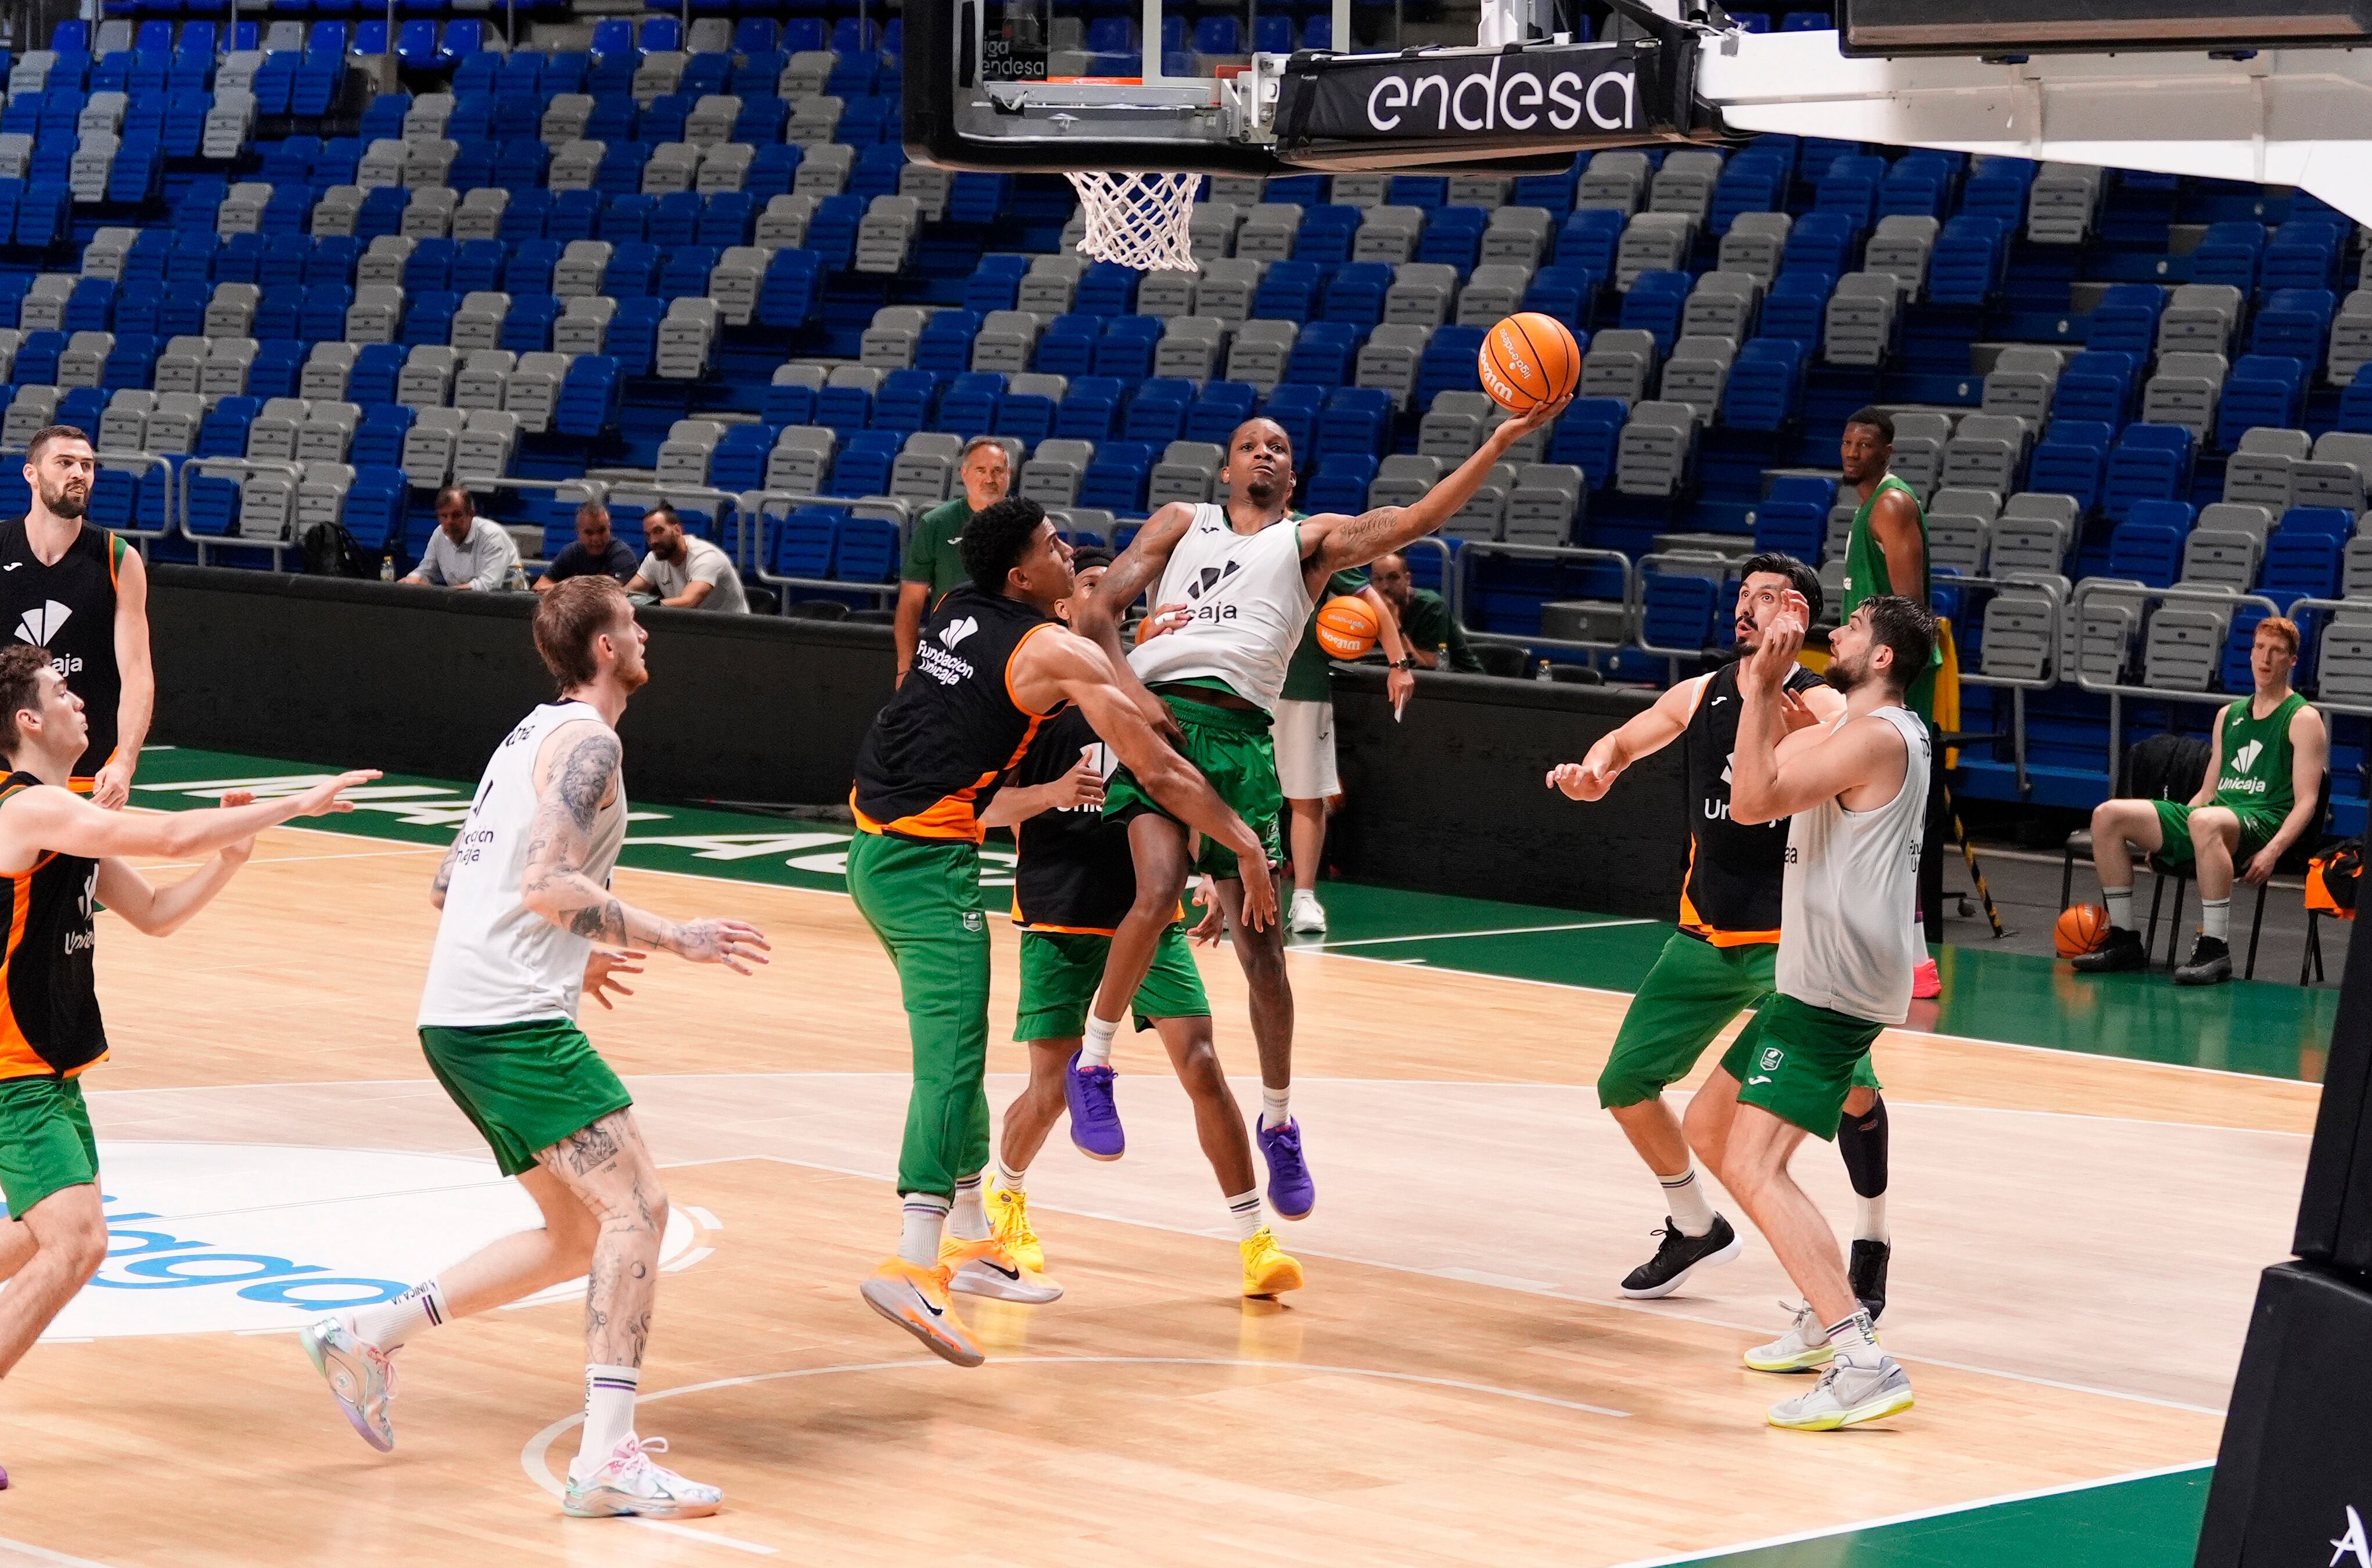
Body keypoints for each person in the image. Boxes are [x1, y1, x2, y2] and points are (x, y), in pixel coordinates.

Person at [299, 576, 770, 1519]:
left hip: (462, 1016)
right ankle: (605, 1460)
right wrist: (673, 936)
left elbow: (450, 884)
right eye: (634, 626)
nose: (646, 637)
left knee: (577, 1234)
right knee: (640, 1209)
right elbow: (547, 883)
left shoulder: (523, 736)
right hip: (507, 1020)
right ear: (602, 648)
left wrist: (574, 948)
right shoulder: (590, 741)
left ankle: (365, 1335)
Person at [1066, 397, 1568, 1221]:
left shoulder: (1311, 541)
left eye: (1279, 446)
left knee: (1264, 958)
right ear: (1226, 467)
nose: (1264, 453)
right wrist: (1133, 699)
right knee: (1155, 895)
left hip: (1240, 740)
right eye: (1248, 444)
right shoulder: (1178, 522)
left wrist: (1501, 441)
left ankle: (1279, 1121)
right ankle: (1095, 1064)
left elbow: (1413, 519)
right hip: (1156, 720)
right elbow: (1093, 614)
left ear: (1291, 473)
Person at [847, 498, 1276, 1369]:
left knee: (962, 1065)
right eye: (1051, 546)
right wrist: (1243, 846)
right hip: (926, 872)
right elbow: (1156, 767)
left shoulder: (959, 612)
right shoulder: (1051, 650)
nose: (1068, 548)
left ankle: (973, 1238)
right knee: (954, 1062)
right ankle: (913, 1263)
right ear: (1022, 576)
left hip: (876, 850)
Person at [0, 645, 371, 1475]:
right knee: (78, 1243)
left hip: (50, 1068)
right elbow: (168, 832)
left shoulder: (67, 815)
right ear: (28, 721)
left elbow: (159, 913)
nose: (81, 700)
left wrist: (230, 859)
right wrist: (292, 806)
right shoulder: (27, 811)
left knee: (35, 1236)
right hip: (9, 1074)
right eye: (63, 692)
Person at [1547, 555, 1894, 1318]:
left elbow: (1784, 784)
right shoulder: (1700, 692)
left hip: (1792, 945)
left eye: (1764, 598)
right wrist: (1597, 770)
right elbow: (1628, 737)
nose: (1745, 609)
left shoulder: (1828, 707)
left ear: (1796, 616)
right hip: (1705, 936)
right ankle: (1695, 1225)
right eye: (1741, 596)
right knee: (1624, 1086)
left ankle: (1871, 1236)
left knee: (1856, 1092)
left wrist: (1773, 709)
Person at [982, 548, 1304, 1299]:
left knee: (1202, 1065)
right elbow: (987, 809)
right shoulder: (1034, 702)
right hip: (1063, 911)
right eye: (1090, 589)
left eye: (1115, 596)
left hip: (1143, 915)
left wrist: (1215, 873)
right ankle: (1006, 1197)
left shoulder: (1152, 700)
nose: (1107, 602)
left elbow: (1185, 793)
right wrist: (1055, 790)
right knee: (1053, 1090)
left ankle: (1256, 1241)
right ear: (1064, 611)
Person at [1683, 591, 1935, 1432]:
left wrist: (1756, 691)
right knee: (1712, 1131)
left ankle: (1859, 1355)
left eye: (1854, 628)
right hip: (1821, 976)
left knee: (1752, 1164)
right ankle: (1823, 1313)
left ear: (1886, 657)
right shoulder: (1865, 732)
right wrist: (1773, 708)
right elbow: (1785, 771)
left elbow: (1754, 801)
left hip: (1833, 985)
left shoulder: (1874, 733)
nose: (1836, 635)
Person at [2075, 615, 2328, 984]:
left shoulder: (2304, 718)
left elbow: (2307, 802)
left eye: (2276, 652)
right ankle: (2125, 940)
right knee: (2108, 815)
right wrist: (2169, 837)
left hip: (2262, 820)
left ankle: (2215, 947)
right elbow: (2209, 792)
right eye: (2259, 648)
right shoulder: (2229, 715)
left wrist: (2272, 852)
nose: (2265, 658)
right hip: (2213, 816)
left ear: (2292, 661)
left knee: (2204, 822)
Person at [1835, 408, 1945, 1001]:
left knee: (1890, 817)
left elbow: (1910, 610)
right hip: (1876, 672)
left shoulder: (1891, 504)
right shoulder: (1868, 504)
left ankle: (1913, 959)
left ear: (1888, 450)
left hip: (1895, 680)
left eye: (1865, 444)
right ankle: (1908, 957)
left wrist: (1888, 685)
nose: (1853, 451)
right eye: (1848, 442)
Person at [0, 426, 153, 807]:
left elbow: (138, 676)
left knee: (89, 870)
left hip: (87, 773)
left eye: (87, 465)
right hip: (4, 765)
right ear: (31, 474)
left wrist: (125, 764)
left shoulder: (118, 559)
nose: (78, 474)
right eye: (65, 463)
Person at [1275, 570, 1413, 934]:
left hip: (1301, 684)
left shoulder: (1315, 538)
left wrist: (1398, 665)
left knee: (1306, 796)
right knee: (1234, 792)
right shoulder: (1225, 539)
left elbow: (1372, 600)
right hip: (1237, 680)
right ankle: (1229, 893)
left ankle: (1303, 897)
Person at [896, 436, 1012, 685]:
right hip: (949, 653)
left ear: (1009, 474)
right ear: (964, 473)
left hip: (1011, 651)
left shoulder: (1029, 525)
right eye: (981, 470)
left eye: (997, 471)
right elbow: (911, 602)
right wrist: (905, 668)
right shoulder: (936, 523)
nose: (989, 479)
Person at [1368, 551, 1485, 674]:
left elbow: (1426, 669)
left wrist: (1393, 622)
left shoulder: (1431, 607)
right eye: (1378, 579)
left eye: (1393, 578)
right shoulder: (1369, 608)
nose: (1385, 587)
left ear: (1407, 579)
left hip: (1464, 683)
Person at [626, 505, 749, 613]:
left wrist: (646, 605)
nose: (653, 541)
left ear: (677, 530)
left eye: (659, 531)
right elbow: (628, 591)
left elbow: (689, 602)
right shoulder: (654, 558)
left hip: (731, 632)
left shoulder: (706, 557)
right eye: (648, 535)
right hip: (692, 628)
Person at [402, 485, 520, 592]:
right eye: (444, 516)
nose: (450, 522)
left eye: (456, 515)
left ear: (471, 515)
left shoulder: (492, 535)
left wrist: (447, 594)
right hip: (461, 603)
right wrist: (413, 579)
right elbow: (427, 571)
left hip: (505, 605)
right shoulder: (439, 534)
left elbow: (489, 585)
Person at [535, 499, 638, 592]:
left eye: (602, 531)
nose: (596, 539)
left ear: (610, 528)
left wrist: (565, 588)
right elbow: (540, 587)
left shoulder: (623, 555)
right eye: (589, 533)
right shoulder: (571, 552)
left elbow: (608, 593)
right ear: (578, 533)